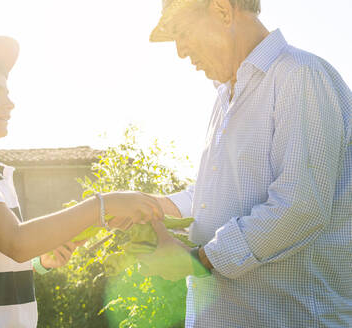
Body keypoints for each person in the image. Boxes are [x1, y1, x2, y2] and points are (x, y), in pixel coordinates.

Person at [132, 0, 352, 327]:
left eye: (181, 32)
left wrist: (198, 260)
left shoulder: (301, 75)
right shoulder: (225, 98)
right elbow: (217, 195)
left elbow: (299, 207)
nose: (180, 51)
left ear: (222, 9)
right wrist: (149, 207)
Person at [0, 36, 162, 328]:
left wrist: (40, 261)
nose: (9, 103)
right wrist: (103, 204)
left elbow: (3, 255)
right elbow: (16, 241)